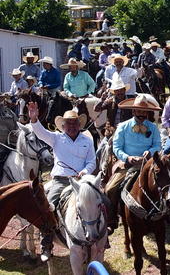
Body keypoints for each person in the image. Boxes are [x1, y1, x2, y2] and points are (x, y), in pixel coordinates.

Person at [27, 105, 95, 262]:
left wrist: (85, 171)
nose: (71, 126)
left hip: (81, 180)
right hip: (61, 181)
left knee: (99, 201)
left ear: (79, 124)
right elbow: (40, 133)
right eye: (68, 123)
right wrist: (34, 119)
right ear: (63, 126)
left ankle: (103, 236)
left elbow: (91, 161)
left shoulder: (87, 140)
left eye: (74, 123)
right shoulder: (56, 138)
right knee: (48, 207)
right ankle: (47, 244)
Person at [104, 94, 162, 231]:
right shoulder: (123, 127)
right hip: (128, 164)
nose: (141, 114)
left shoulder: (153, 127)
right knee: (110, 189)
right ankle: (112, 220)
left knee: (165, 183)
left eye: (144, 111)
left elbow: (158, 145)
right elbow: (116, 147)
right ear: (133, 111)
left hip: (148, 164)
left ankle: (164, 212)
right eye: (139, 111)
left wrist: (151, 152)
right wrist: (128, 158)